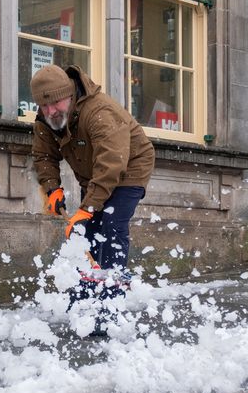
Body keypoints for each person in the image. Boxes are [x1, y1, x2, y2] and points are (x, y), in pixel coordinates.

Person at [31, 64, 155, 273]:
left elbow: (112, 163)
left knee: (111, 222)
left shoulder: (99, 111)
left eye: (55, 103)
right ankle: (86, 291)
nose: (51, 111)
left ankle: (111, 288)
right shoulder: (46, 120)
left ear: (69, 95)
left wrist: (87, 209)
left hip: (130, 166)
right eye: (44, 106)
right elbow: (44, 155)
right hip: (92, 174)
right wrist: (52, 190)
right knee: (86, 232)